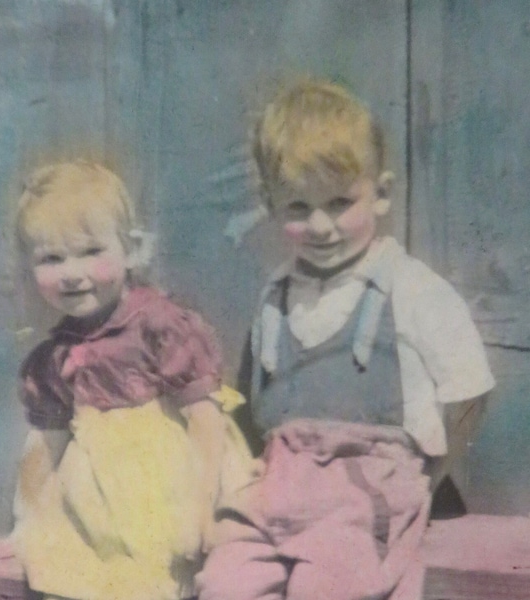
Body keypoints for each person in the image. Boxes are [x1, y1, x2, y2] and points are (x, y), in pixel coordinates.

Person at [197, 80, 495, 600]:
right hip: (281, 485)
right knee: (223, 581)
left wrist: (427, 474)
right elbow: (256, 400)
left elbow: (470, 392)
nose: (321, 226)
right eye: (298, 208)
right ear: (270, 205)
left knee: (327, 586)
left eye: (339, 202)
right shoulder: (276, 294)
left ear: (379, 193)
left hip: (370, 487)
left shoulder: (411, 288)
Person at [10, 161, 252, 600]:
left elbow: (204, 418)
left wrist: (199, 504)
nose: (71, 272)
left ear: (132, 251)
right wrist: (27, 519)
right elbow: (44, 445)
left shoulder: (159, 326)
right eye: (52, 258)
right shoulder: (55, 357)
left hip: (172, 488)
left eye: (90, 252)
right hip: (99, 508)